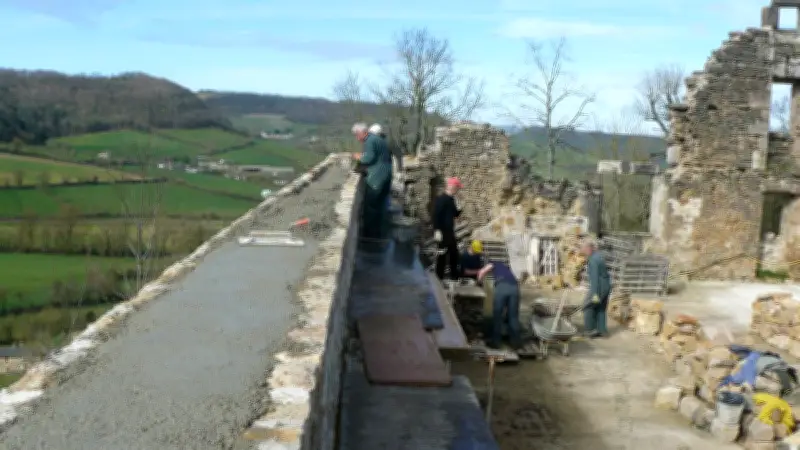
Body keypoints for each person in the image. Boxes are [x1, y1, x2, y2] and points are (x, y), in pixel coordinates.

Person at [352, 122, 392, 239]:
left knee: (371, 206)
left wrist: (358, 156)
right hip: (386, 175)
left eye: (356, 135)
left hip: (376, 179)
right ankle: (380, 234)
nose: (356, 138)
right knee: (381, 206)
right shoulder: (379, 140)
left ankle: (370, 237)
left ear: (362, 133)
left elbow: (368, 159)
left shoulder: (369, 140)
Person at [478, 261, 526, 350]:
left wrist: (479, 282)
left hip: (502, 287)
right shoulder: (507, 269)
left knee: (498, 315)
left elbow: (481, 272)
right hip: (515, 288)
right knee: (513, 316)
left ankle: (496, 342)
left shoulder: (493, 263)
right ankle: (516, 343)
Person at [433, 177, 463, 280]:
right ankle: (439, 277)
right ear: (452, 187)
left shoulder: (451, 200)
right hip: (442, 231)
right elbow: (436, 215)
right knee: (442, 255)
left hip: (449, 231)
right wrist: (437, 230)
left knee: (454, 254)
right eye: (457, 188)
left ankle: (454, 276)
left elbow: (455, 214)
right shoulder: (441, 199)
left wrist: (459, 207)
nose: (458, 190)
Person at [581, 238, 612, 338]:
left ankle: (590, 330)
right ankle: (602, 331)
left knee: (587, 306)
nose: (583, 251)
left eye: (584, 248)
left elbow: (594, 279)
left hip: (599, 287)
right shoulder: (599, 257)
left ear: (589, 248)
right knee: (601, 308)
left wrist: (594, 294)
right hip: (607, 285)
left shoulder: (592, 260)